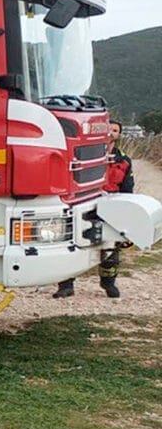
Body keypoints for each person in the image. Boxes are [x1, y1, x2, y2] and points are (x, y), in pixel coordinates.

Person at [53, 120, 134, 299]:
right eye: (109, 129)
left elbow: (128, 189)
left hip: (111, 206)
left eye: (115, 130)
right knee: (70, 243)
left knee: (110, 246)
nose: (111, 133)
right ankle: (65, 285)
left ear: (118, 135)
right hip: (82, 202)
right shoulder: (83, 154)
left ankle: (108, 283)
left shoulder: (124, 160)